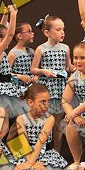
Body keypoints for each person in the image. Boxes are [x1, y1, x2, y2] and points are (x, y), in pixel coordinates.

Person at [6, 84, 73, 170]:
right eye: (42, 102)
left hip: (44, 153)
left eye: (48, 101)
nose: (46, 105)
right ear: (30, 102)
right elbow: (24, 143)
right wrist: (30, 162)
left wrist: (29, 164)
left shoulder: (49, 119)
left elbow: (40, 143)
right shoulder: (21, 119)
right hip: (27, 154)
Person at [30, 14, 71, 152]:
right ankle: (41, 150)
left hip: (60, 89)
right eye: (58, 29)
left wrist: (78, 66)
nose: (62, 32)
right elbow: (33, 69)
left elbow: (68, 66)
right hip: (47, 89)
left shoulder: (65, 48)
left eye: (63, 29)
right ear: (47, 32)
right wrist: (44, 71)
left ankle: (57, 152)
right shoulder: (41, 49)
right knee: (44, 122)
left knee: (58, 124)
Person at [7, 22, 37, 118]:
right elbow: (6, 73)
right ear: (20, 36)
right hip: (19, 90)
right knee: (21, 117)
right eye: (29, 31)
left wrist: (36, 76)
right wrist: (20, 77)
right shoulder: (13, 53)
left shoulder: (32, 52)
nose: (33, 34)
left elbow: (36, 69)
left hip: (31, 89)